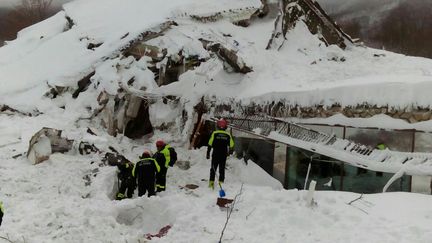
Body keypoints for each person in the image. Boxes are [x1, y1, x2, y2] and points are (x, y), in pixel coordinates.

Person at [207, 118, 234, 190]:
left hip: (215, 154)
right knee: (222, 169)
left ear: (218, 126)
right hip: (223, 154)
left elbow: (210, 144)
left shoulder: (214, 133)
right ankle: (221, 182)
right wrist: (230, 151)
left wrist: (208, 153)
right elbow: (231, 145)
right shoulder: (228, 135)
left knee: (213, 168)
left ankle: (211, 184)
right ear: (225, 127)